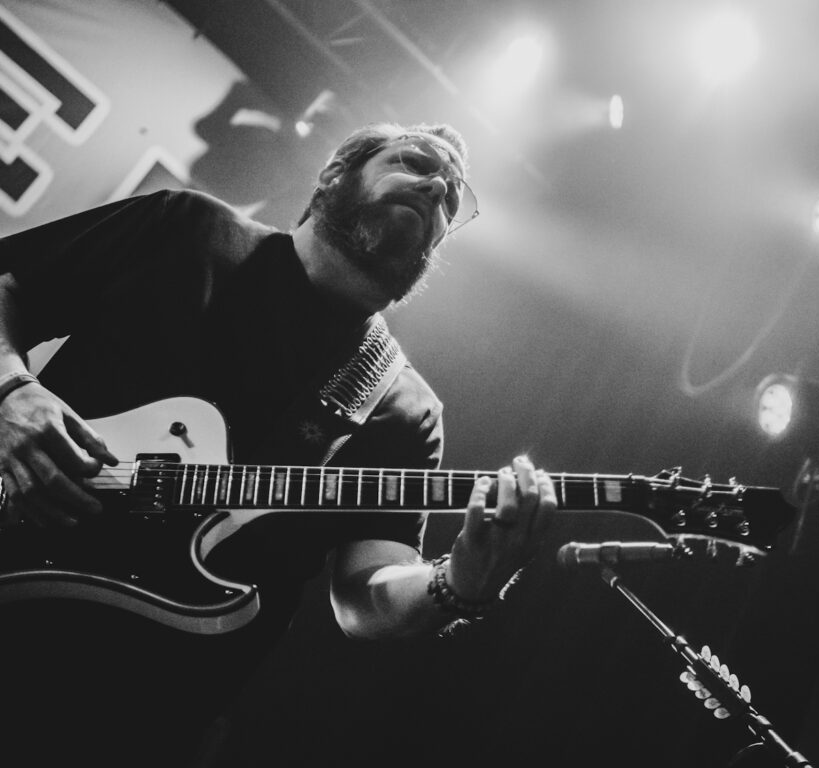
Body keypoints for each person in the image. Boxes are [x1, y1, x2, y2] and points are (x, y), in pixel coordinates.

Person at [0, 122, 556, 767]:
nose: (438, 188)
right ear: (334, 174)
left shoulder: (404, 409)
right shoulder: (186, 227)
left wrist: (463, 580)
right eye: (414, 162)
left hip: (138, 709)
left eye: (453, 196)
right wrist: (12, 392)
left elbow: (364, 599)